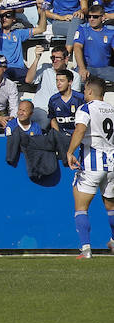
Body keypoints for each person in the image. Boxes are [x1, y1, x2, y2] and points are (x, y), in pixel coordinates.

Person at [65, 76, 114, 259]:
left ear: (90, 91)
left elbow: (79, 130)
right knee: (111, 206)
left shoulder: (85, 108)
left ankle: (86, 249)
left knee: (81, 206)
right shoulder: (112, 109)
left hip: (92, 162)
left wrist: (70, 152)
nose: (84, 93)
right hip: (112, 163)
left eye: (85, 90)